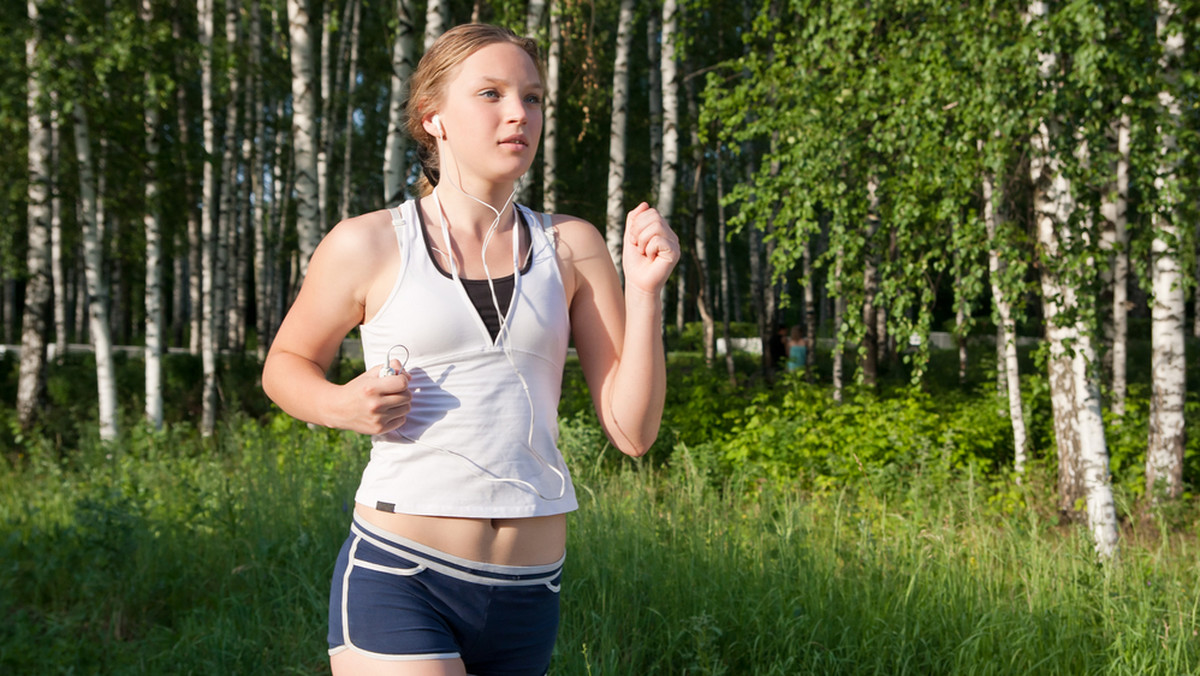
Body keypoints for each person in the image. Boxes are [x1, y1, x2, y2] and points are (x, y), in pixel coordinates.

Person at [261, 23, 679, 676]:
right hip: (401, 574)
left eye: (533, 97)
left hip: (529, 592)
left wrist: (646, 291)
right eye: (491, 93)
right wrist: (341, 404)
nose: (519, 113)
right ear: (434, 118)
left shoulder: (573, 245)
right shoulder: (368, 242)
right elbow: (285, 366)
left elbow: (632, 432)